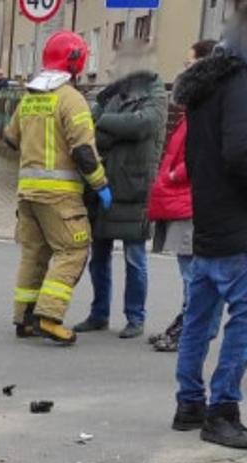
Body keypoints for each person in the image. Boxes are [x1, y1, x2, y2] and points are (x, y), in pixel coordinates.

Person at [171, 3, 247, 449]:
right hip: (238, 226)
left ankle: (189, 403)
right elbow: (239, 151)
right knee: (246, 321)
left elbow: (202, 153)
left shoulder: (206, 85)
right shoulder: (242, 83)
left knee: (199, 320)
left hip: (209, 220)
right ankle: (223, 412)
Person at [2, 30, 110, 345]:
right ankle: (49, 317)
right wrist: (101, 185)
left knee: (34, 254)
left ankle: (24, 317)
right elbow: (84, 152)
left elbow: (10, 138)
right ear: (77, 61)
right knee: (73, 249)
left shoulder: (30, 96)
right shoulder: (72, 99)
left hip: (27, 193)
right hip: (60, 196)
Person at [72, 69, 165, 339]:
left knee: (135, 259)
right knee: (98, 258)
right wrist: (117, 126)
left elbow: (143, 125)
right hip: (103, 187)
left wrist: (107, 122)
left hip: (134, 188)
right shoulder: (110, 94)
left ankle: (135, 317)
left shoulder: (155, 93)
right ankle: (99, 314)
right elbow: (90, 129)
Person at [148, 40, 218, 354]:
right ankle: (188, 323)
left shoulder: (208, 107)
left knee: (195, 274)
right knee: (190, 272)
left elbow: (200, 154)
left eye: (190, 64)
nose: (184, 70)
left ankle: (194, 330)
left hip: (190, 201)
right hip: (181, 200)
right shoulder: (196, 108)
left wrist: (175, 175)